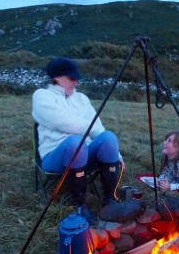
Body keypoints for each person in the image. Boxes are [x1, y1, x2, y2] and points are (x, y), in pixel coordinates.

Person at [32, 57, 124, 224]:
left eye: (77, 78)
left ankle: (110, 199)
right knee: (76, 142)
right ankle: (80, 205)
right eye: (72, 78)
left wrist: (117, 154)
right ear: (57, 77)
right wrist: (90, 129)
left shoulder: (81, 99)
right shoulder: (41, 96)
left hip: (84, 155)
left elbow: (98, 127)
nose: (76, 83)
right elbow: (63, 122)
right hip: (55, 157)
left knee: (108, 137)